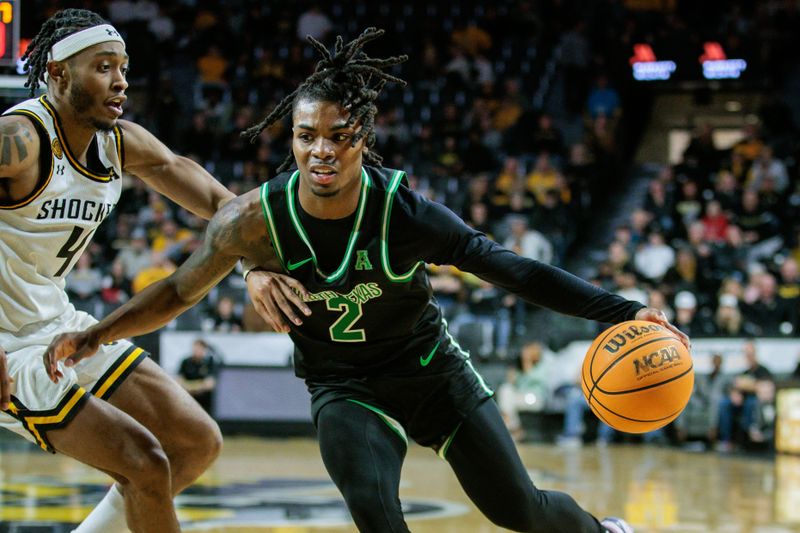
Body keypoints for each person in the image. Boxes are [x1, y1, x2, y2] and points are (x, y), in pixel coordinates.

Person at [46, 28, 691, 533]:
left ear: (365, 138)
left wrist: (622, 310)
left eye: (339, 135)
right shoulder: (253, 220)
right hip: (343, 384)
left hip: (431, 371)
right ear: (291, 140)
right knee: (376, 512)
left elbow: (510, 268)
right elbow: (177, 291)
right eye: (305, 136)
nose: (321, 149)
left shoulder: (402, 212)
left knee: (518, 510)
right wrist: (97, 333)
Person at [0, 9, 304, 533]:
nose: (120, 81)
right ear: (58, 74)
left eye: (122, 66)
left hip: (55, 323)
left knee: (194, 442)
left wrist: (259, 263)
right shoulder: (19, 139)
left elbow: (219, 203)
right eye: (102, 66)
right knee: (144, 462)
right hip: (8, 342)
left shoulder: (121, 143)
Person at [176, 339, 220, 413]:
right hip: (187, 396)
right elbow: (179, 381)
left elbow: (210, 384)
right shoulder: (185, 361)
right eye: (195, 348)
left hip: (204, 399)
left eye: (199, 348)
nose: (196, 351)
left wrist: (194, 387)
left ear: (204, 349)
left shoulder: (210, 362)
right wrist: (190, 387)